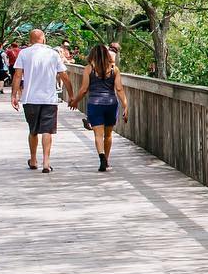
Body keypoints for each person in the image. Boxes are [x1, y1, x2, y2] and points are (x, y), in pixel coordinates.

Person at [11, 29, 74, 173]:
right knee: (47, 131)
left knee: (33, 130)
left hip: (30, 98)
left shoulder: (24, 53)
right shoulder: (53, 54)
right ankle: (46, 162)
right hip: (49, 98)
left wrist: (13, 95)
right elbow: (64, 75)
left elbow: (17, 75)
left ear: (30, 39)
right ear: (43, 39)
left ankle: (33, 160)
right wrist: (71, 95)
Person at [71, 44, 130, 171]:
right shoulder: (114, 69)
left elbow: (84, 89)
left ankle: (101, 156)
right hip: (111, 104)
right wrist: (125, 106)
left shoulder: (89, 69)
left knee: (98, 134)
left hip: (95, 104)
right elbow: (119, 89)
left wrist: (75, 101)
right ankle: (107, 161)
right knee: (108, 135)